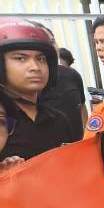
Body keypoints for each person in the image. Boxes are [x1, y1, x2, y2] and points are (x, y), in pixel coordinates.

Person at [0, 17, 78, 161]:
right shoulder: (3, 122)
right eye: (20, 58)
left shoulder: (59, 119)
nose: (35, 67)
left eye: (41, 59)